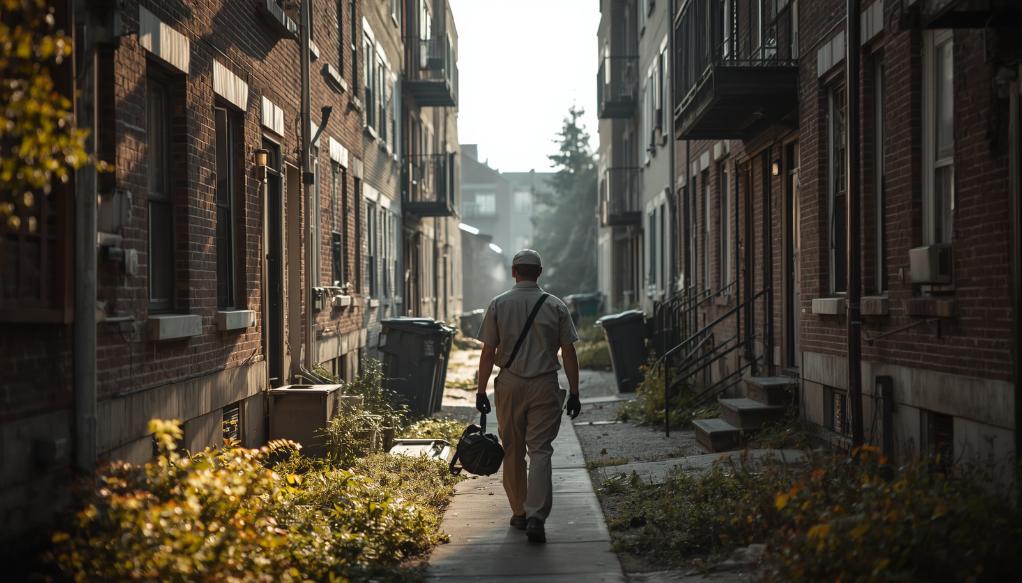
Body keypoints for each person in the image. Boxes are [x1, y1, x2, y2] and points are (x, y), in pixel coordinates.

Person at [475, 249, 582, 544]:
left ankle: (519, 512)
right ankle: (536, 516)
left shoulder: (498, 305)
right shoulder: (556, 306)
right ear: (540, 272)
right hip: (544, 384)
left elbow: (487, 352)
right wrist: (574, 392)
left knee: (512, 449)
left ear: (513, 272)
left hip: (509, 384)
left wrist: (481, 389)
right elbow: (568, 351)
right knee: (540, 451)